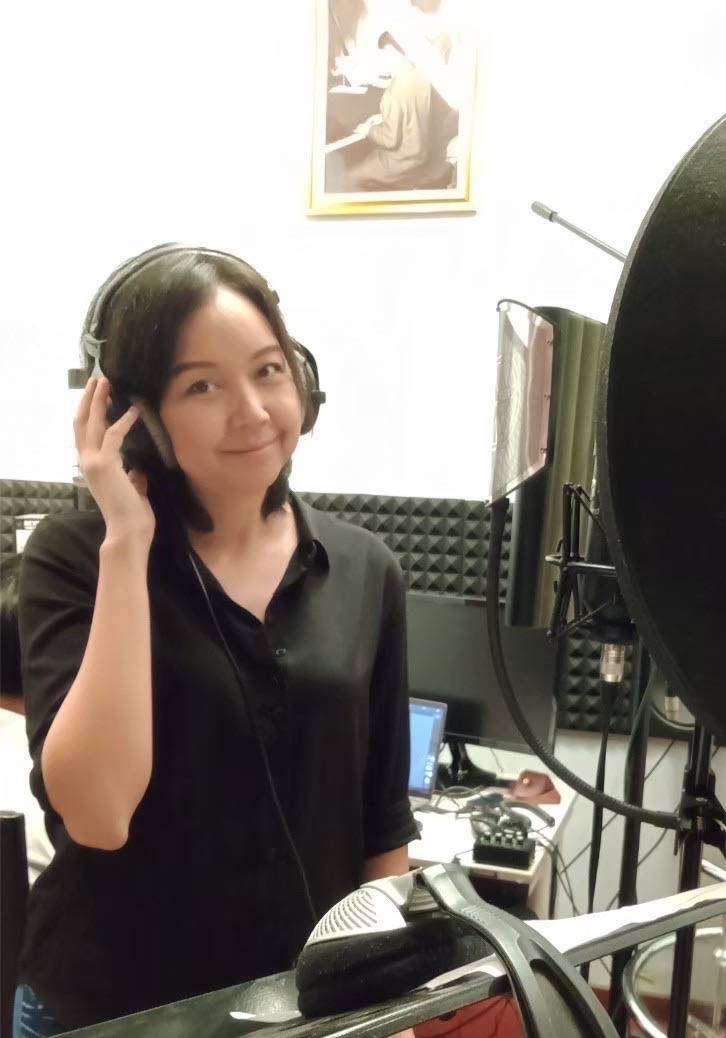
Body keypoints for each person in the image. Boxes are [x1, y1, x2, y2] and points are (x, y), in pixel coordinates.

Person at [14, 246, 417, 1035]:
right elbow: (98, 815)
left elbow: (382, 826)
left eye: (269, 370)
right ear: (136, 419)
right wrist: (127, 543)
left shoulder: (367, 569)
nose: (254, 411)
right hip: (112, 1012)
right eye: (202, 385)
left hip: (299, 1013)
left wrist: (389, 1007)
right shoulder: (75, 560)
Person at [347, 32, 454, 191]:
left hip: (403, 160)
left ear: (391, 55)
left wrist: (369, 130)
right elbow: (413, 114)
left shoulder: (393, 92)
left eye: (382, 56)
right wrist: (383, 117)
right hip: (422, 155)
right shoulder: (421, 76)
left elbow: (390, 139)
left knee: (351, 177)